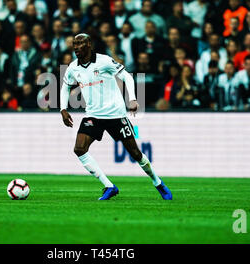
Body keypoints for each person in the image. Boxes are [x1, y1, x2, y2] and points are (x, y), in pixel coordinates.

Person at [60, 33, 172, 201]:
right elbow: (65, 87)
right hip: (93, 115)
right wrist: (63, 109)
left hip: (115, 114)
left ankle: (158, 183)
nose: (76, 47)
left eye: (80, 43)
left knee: (135, 153)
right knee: (79, 149)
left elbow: (126, 76)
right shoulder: (73, 68)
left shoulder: (104, 60)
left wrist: (133, 98)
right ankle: (109, 186)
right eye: (74, 44)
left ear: (89, 44)